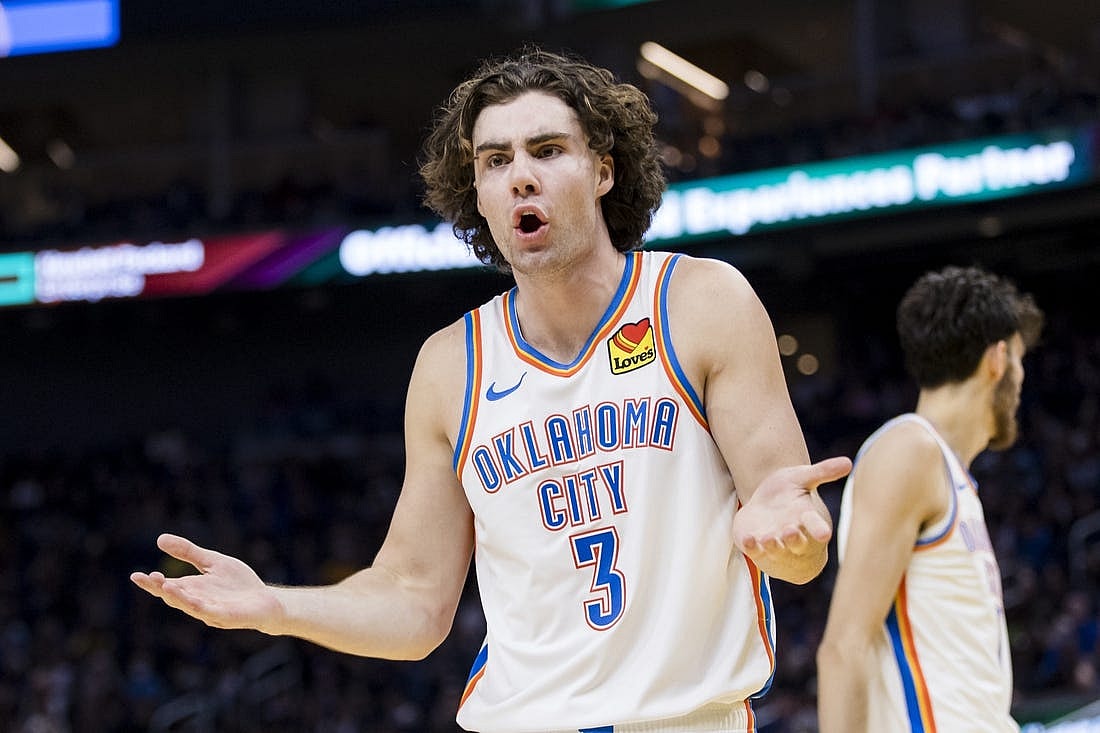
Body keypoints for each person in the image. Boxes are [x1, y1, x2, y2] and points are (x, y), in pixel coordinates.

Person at [132, 46, 851, 733]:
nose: (521, 177)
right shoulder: (450, 365)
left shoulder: (700, 302)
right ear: (476, 190)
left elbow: (798, 545)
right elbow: (414, 599)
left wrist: (787, 536)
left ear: (603, 169)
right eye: (496, 160)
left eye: (547, 150)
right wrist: (273, 606)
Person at [816, 265, 1044, 732]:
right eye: (1020, 361)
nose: (1021, 381)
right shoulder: (909, 450)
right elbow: (843, 647)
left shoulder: (946, 471)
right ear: (997, 360)